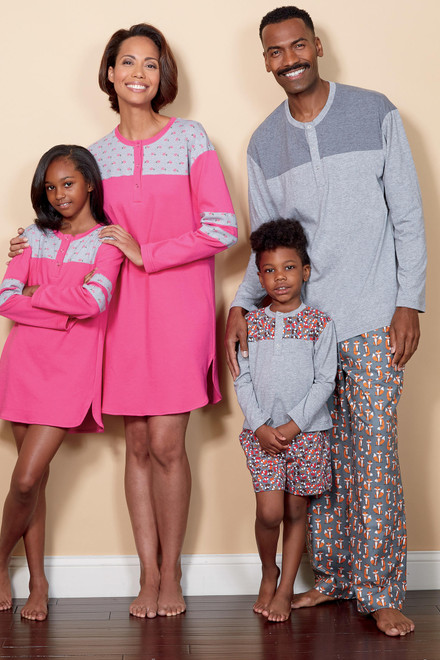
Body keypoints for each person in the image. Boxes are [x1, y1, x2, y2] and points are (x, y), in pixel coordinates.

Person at [9, 24, 237, 618]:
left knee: (167, 443)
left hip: (180, 307)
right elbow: (72, 226)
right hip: (116, 312)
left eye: (151, 64)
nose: (139, 73)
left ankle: (172, 573)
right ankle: (148, 573)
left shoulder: (190, 138)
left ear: (163, 75)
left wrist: (147, 251)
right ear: (110, 73)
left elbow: (222, 227)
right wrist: (29, 246)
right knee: (135, 444)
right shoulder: (95, 157)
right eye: (128, 62)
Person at [225, 6, 426, 637]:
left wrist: (410, 301)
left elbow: (408, 215)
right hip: (302, 330)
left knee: (373, 457)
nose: (289, 59)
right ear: (266, 61)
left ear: (317, 45)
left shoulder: (374, 111)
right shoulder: (264, 142)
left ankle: (380, 589)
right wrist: (240, 303)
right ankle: (335, 577)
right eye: (275, 51)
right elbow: (266, 244)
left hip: (371, 318)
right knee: (319, 459)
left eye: (297, 45)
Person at [0, 145, 123, 620]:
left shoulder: (108, 242)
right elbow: (5, 300)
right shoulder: (32, 237)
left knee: (25, 478)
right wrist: (64, 308)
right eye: (50, 187)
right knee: (33, 483)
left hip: (69, 372)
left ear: (89, 183)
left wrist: (38, 294)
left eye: (68, 183)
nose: (60, 194)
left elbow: (95, 302)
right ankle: (37, 580)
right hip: (23, 364)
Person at [235, 219, 336, 622]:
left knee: (296, 512)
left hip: (307, 436)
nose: (280, 277)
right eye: (270, 270)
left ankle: (285, 587)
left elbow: (325, 380)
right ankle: (269, 572)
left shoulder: (320, 324)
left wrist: (294, 425)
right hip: (261, 436)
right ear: (260, 277)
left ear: (305, 271)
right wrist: (260, 425)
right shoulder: (251, 324)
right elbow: (241, 378)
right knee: (269, 513)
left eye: (289, 267)